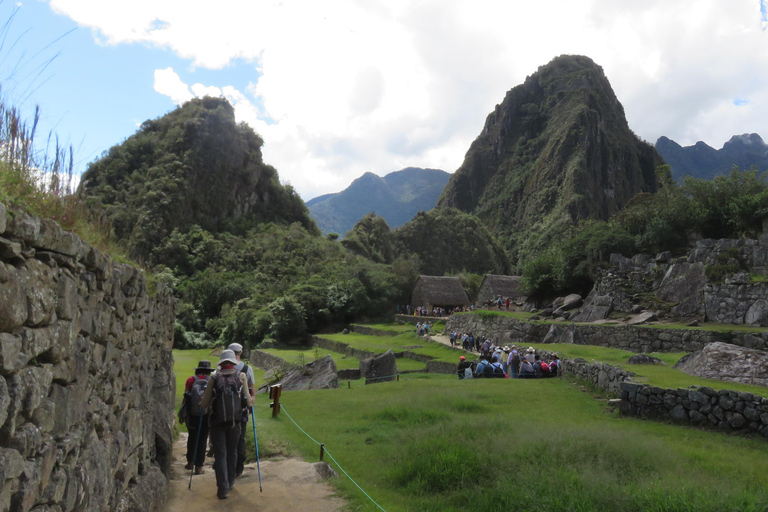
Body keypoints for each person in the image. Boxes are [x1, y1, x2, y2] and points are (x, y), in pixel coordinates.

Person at [200, 350, 254, 499]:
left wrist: (202, 404)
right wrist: (250, 401)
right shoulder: (241, 376)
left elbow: (204, 402)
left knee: (221, 454)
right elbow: (248, 401)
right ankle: (231, 482)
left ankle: (222, 488)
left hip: (217, 422)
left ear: (221, 363)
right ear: (233, 362)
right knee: (232, 451)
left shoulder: (214, 378)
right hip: (235, 422)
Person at [227, 343, 255, 479]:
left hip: (224, 411)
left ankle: (225, 466)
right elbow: (251, 391)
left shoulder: (221, 368)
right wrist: (250, 404)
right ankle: (238, 468)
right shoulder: (247, 368)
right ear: (241, 353)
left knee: (225, 437)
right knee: (240, 438)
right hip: (241, 411)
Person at [182, 360, 213, 474]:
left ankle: (190, 462)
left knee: (192, 437)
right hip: (205, 414)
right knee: (202, 439)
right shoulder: (211, 380)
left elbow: (186, 398)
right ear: (209, 370)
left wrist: (184, 412)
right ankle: (199, 467)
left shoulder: (191, 380)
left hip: (192, 413)